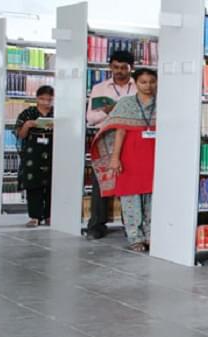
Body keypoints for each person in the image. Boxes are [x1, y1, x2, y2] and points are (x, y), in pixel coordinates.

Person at [90, 68, 157, 252]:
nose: (148, 86)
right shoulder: (126, 103)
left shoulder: (162, 104)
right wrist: (115, 158)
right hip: (131, 155)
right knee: (131, 196)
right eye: (143, 82)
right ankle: (135, 237)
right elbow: (119, 131)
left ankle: (151, 235)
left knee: (153, 195)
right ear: (136, 83)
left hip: (154, 154)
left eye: (152, 81)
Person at [84, 50, 137, 240]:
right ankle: (96, 225)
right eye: (116, 67)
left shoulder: (139, 88)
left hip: (132, 138)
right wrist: (108, 111)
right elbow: (90, 118)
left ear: (132, 68)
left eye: (124, 68)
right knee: (101, 183)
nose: (120, 71)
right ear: (110, 67)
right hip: (105, 138)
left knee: (130, 183)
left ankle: (130, 225)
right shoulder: (100, 89)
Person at [15, 85, 54, 227]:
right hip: (33, 154)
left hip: (52, 153)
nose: (45, 103)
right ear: (37, 98)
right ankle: (34, 216)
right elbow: (20, 135)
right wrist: (27, 125)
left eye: (49, 100)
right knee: (33, 185)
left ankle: (50, 215)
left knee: (52, 185)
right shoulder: (28, 113)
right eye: (42, 99)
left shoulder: (56, 112)